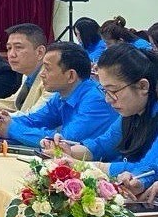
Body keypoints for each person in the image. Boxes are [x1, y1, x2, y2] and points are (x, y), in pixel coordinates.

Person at [41, 44, 158, 184]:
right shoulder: (129, 114)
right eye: (104, 91)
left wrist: (87, 166)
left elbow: (147, 168)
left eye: (113, 91)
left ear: (143, 86)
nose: (108, 99)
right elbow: (102, 145)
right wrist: (68, 151)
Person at [0, 42, 117, 147]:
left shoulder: (96, 100)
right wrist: (0, 122)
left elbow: (65, 141)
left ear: (70, 75)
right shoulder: (62, 94)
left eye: (47, 68)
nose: (42, 74)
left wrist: (12, 129)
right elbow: (34, 120)